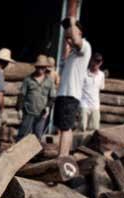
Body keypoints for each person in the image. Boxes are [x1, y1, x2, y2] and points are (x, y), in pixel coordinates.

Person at [54, 17, 92, 157]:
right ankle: (61, 155)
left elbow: (76, 40)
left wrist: (72, 23)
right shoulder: (71, 54)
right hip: (63, 95)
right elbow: (71, 40)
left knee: (66, 128)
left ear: (79, 32)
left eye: (70, 35)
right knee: (62, 127)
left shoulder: (85, 47)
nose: (68, 39)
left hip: (71, 95)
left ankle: (62, 157)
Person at [17, 55, 56, 140]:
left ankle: (35, 153)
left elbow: (52, 97)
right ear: (36, 67)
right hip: (28, 112)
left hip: (41, 113)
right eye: (39, 67)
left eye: (43, 67)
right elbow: (22, 95)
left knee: (37, 137)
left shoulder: (50, 81)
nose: (41, 69)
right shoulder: (28, 79)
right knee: (23, 135)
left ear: (46, 68)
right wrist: (19, 109)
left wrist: (48, 107)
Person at [79, 53, 104, 131]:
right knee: (82, 127)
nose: (96, 63)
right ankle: (80, 142)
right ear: (91, 60)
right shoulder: (84, 73)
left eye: (98, 61)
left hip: (95, 105)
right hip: (84, 103)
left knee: (94, 128)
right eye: (95, 61)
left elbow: (101, 87)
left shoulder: (101, 75)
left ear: (101, 63)